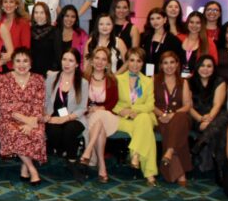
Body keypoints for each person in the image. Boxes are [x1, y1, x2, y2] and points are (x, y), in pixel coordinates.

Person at [82, 47, 151, 184]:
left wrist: (102, 108)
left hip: (108, 116)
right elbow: (79, 99)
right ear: (91, 60)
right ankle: (102, 165)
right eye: (97, 58)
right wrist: (88, 108)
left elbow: (113, 103)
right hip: (88, 115)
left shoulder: (112, 80)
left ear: (108, 63)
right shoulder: (84, 78)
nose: (100, 62)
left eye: (103, 59)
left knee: (101, 116)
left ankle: (88, 150)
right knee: (99, 124)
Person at [0, 48, 46, 185]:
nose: (22, 64)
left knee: (37, 132)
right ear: (12, 63)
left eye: (25, 61)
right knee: (17, 133)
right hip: (10, 119)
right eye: (18, 61)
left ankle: (25, 166)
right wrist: (26, 120)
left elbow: (39, 104)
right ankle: (32, 169)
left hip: (33, 118)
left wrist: (33, 121)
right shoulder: (4, 80)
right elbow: (4, 106)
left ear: (30, 63)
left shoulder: (38, 79)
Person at [43, 48, 88, 174]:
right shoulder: (52, 77)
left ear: (77, 64)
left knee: (69, 130)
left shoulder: (83, 82)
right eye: (64, 59)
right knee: (53, 132)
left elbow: (83, 108)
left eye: (71, 61)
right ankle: (62, 149)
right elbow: (45, 100)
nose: (67, 63)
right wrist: (46, 115)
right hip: (54, 115)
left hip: (74, 117)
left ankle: (72, 159)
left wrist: (65, 118)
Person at [153, 51, 193, 185]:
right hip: (160, 117)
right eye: (165, 63)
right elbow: (149, 103)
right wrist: (162, 115)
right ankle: (180, 174)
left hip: (178, 117)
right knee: (175, 132)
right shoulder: (154, 80)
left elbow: (187, 105)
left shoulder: (183, 82)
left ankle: (169, 152)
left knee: (180, 118)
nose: (169, 66)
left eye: (172, 62)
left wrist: (173, 115)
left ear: (177, 65)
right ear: (161, 66)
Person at [189, 55, 228, 176]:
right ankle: (219, 167)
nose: (205, 69)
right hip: (195, 117)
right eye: (202, 65)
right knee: (219, 130)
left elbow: (217, 105)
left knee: (226, 117)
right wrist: (200, 118)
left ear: (214, 68)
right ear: (197, 67)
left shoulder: (219, 81)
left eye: (209, 66)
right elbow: (188, 106)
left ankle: (199, 144)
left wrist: (208, 119)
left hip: (215, 116)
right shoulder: (188, 82)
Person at [142, 8, 183, 76]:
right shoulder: (144, 37)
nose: (155, 21)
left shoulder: (173, 40)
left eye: (158, 18)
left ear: (165, 20)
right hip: (145, 76)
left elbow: (179, 60)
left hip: (165, 76)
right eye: (152, 19)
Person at [29, 1, 61, 76]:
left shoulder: (55, 31)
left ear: (47, 14)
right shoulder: (29, 30)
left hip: (49, 72)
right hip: (32, 72)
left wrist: (53, 71)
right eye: (36, 12)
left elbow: (58, 54)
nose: (38, 15)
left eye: (42, 13)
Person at [178, 11, 213, 77]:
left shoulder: (209, 43)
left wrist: (194, 76)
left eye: (198, 23)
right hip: (177, 80)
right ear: (187, 23)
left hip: (197, 81)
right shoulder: (178, 39)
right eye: (191, 22)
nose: (194, 25)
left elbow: (213, 65)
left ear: (202, 25)